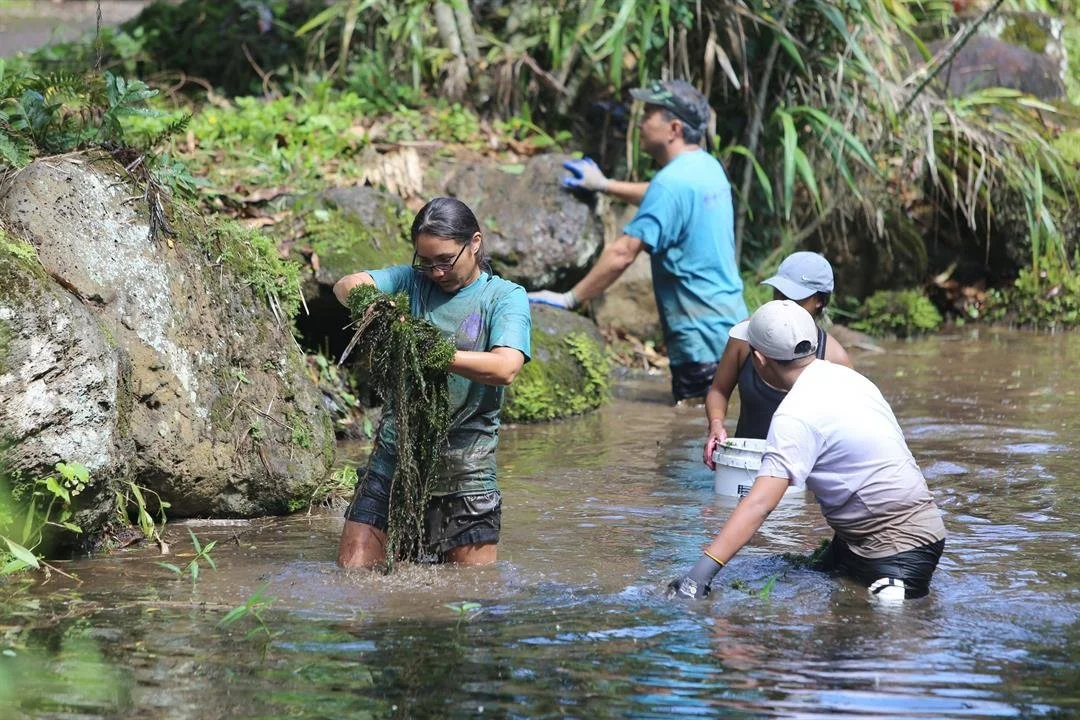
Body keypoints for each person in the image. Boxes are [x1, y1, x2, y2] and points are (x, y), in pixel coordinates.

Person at [669, 300, 946, 602]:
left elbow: (759, 504)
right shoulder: (850, 379)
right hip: (878, 538)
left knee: (867, 642)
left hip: (898, 551)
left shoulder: (795, 414)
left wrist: (697, 578)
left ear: (759, 359)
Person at [332, 197, 532, 568]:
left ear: (474, 243)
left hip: (466, 466)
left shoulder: (504, 298)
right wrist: (370, 303)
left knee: (467, 600)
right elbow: (345, 285)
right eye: (426, 262)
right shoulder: (411, 282)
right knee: (353, 578)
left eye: (445, 260)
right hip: (395, 455)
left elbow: (506, 367)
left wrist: (442, 356)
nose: (436, 272)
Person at [528, 79, 747, 403]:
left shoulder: (672, 183)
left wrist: (570, 299)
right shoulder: (706, 167)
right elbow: (661, 194)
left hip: (699, 342)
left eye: (648, 114)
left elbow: (623, 252)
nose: (640, 122)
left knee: (693, 437)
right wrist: (605, 185)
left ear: (673, 128)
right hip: (733, 330)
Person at [703, 252, 853, 469]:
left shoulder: (834, 359)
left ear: (819, 301)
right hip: (745, 461)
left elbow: (843, 432)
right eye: (779, 294)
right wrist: (716, 425)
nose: (784, 304)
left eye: (795, 297)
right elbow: (718, 390)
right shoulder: (745, 336)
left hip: (801, 472)